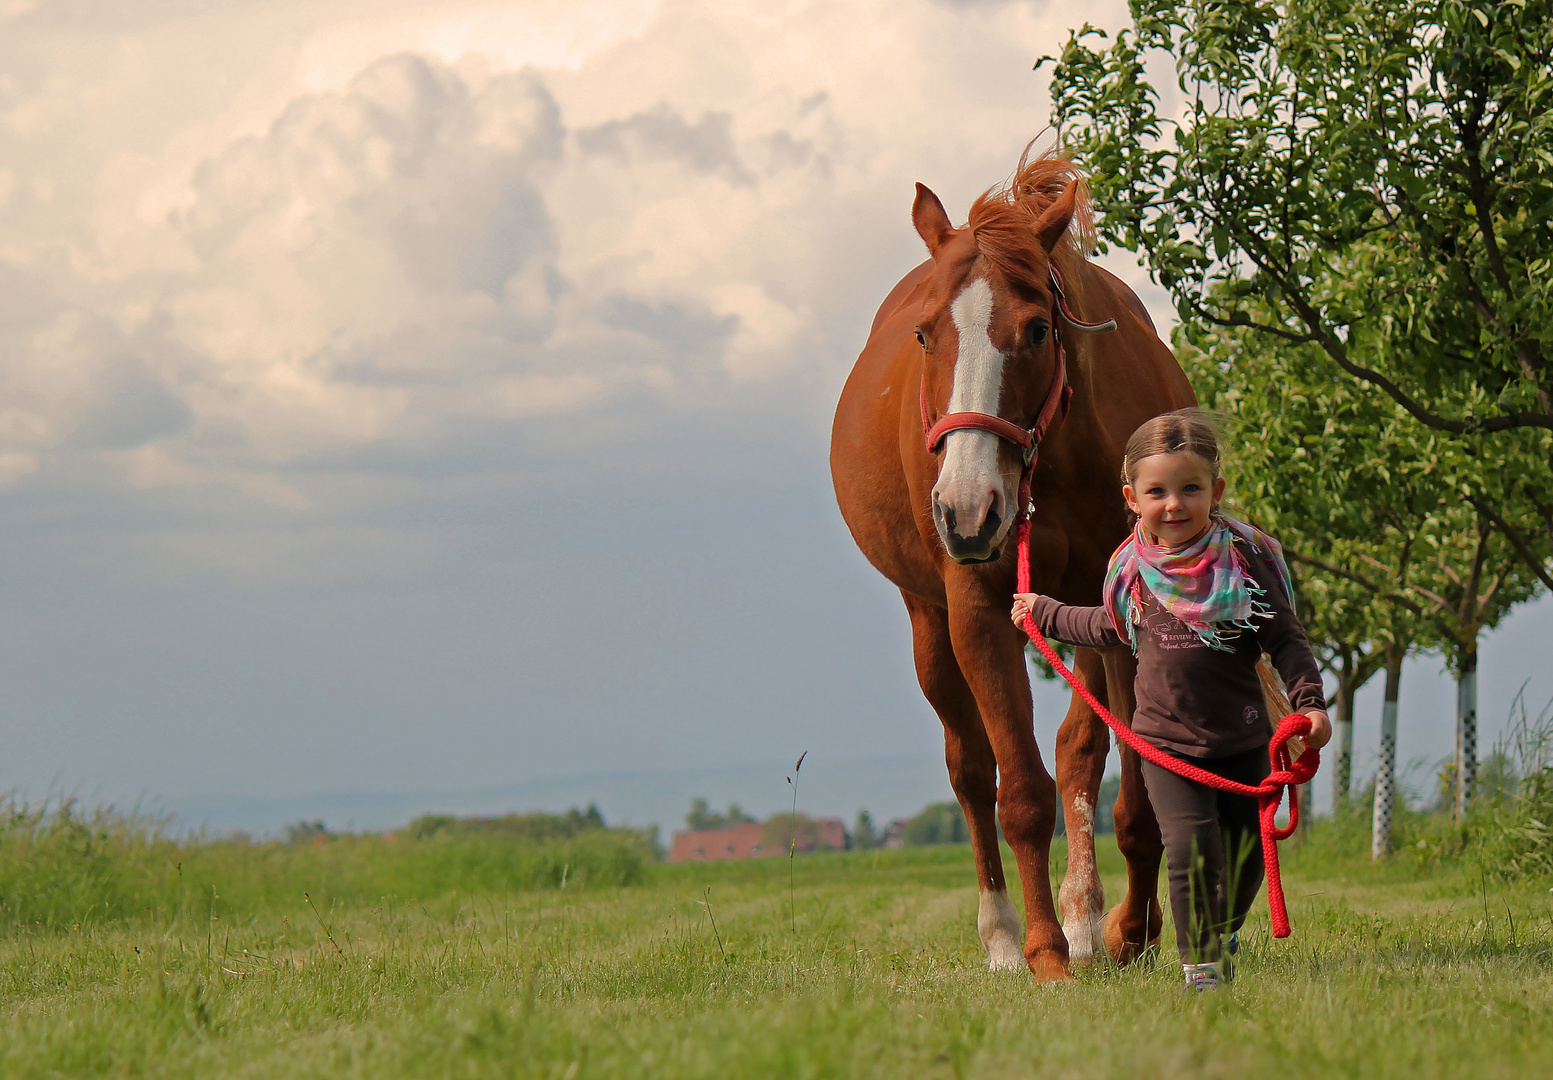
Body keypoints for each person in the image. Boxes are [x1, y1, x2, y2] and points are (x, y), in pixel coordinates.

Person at [1011, 408, 1331, 992]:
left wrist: (1310, 705)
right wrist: (1045, 613)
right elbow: (1109, 626)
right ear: (1133, 497)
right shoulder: (1130, 570)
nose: (1174, 505)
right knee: (1189, 849)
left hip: (1243, 738)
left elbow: (1285, 639)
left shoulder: (1245, 561)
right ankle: (1202, 970)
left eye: (1190, 489)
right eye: (1157, 491)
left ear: (1217, 491)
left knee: (1243, 859)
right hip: (1165, 745)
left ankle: (1224, 929)